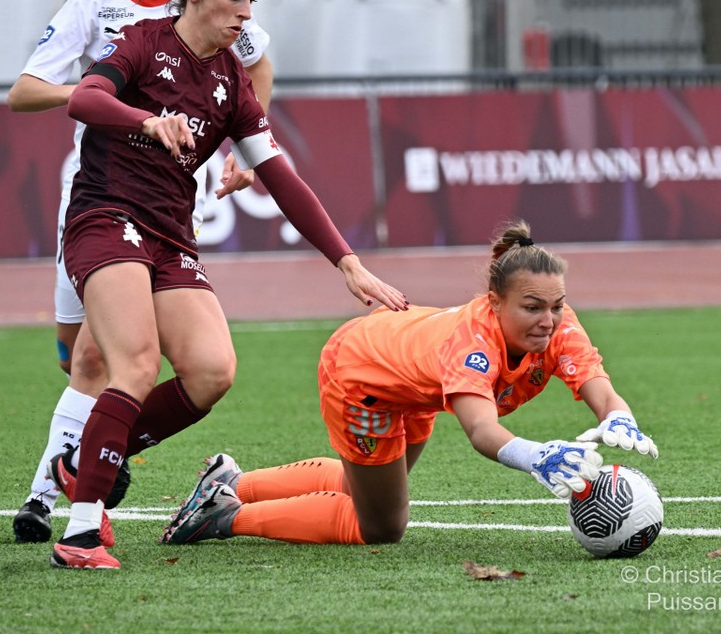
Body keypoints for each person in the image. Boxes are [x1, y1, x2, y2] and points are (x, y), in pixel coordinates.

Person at [40, 0, 409, 570]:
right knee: (135, 364)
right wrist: (145, 120)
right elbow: (85, 98)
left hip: (170, 234)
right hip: (106, 217)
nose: (246, 11)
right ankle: (82, 532)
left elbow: (282, 178)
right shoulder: (144, 43)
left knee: (212, 371)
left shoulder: (232, 81)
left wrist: (347, 262)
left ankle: (87, 457)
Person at [5, 0, 275, 545]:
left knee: (114, 360)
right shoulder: (97, 7)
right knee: (81, 359)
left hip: (163, 205)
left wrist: (247, 149)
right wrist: (106, 97)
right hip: (96, 193)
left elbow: (257, 63)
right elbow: (24, 91)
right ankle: (76, 473)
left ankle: (50, 496)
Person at [160, 219, 658, 548]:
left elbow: (593, 380)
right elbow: (482, 430)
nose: (548, 320)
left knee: (371, 487)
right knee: (380, 525)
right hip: (362, 374)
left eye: (556, 305)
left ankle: (234, 483)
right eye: (532, 307)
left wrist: (618, 416)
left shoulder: (558, 325)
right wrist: (536, 455)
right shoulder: (473, 344)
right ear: (494, 302)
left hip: (410, 380)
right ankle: (222, 514)